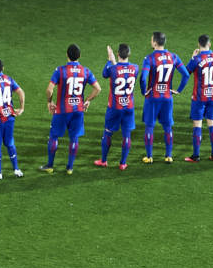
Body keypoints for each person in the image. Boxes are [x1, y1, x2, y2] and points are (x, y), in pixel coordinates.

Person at [41, 44, 99, 174]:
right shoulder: (86, 71)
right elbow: (98, 88)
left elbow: (49, 89)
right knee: (74, 138)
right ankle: (70, 168)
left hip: (62, 110)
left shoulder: (60, 71)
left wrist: (50, 102)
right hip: (78, 110)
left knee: (54, 137)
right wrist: (87, 100)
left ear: (67, 55)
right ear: (79, 56)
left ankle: (50, 166)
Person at [139, 30, 188, 162]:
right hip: (167, 96)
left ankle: (149, 157)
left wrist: (144, 91)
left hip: (153, 98)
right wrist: (178, 90)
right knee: (167, 127)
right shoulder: (174, 57)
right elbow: (186, 75)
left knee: (149, 126)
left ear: (154, 42)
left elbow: (143, 79)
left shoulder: (149, 58)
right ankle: (168, 156)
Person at [96, 43, 140, 169]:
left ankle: (104, 161)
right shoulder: (135, 68)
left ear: (118, 54)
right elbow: (124, 72)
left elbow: (105, 74)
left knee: (108, 133)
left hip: (114, 107)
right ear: (129, 54)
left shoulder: (113, 69)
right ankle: (123, 163)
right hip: (129, 106)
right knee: (127, 135)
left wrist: (110, 60)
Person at [187, 34, 213, 160]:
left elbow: (186, 72)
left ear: (199, 44)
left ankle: (196, 155)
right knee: (212, 123)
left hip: (199, 97)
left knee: (197, 124)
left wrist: (192, 58)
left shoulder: (197, 59)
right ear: (210, 44)